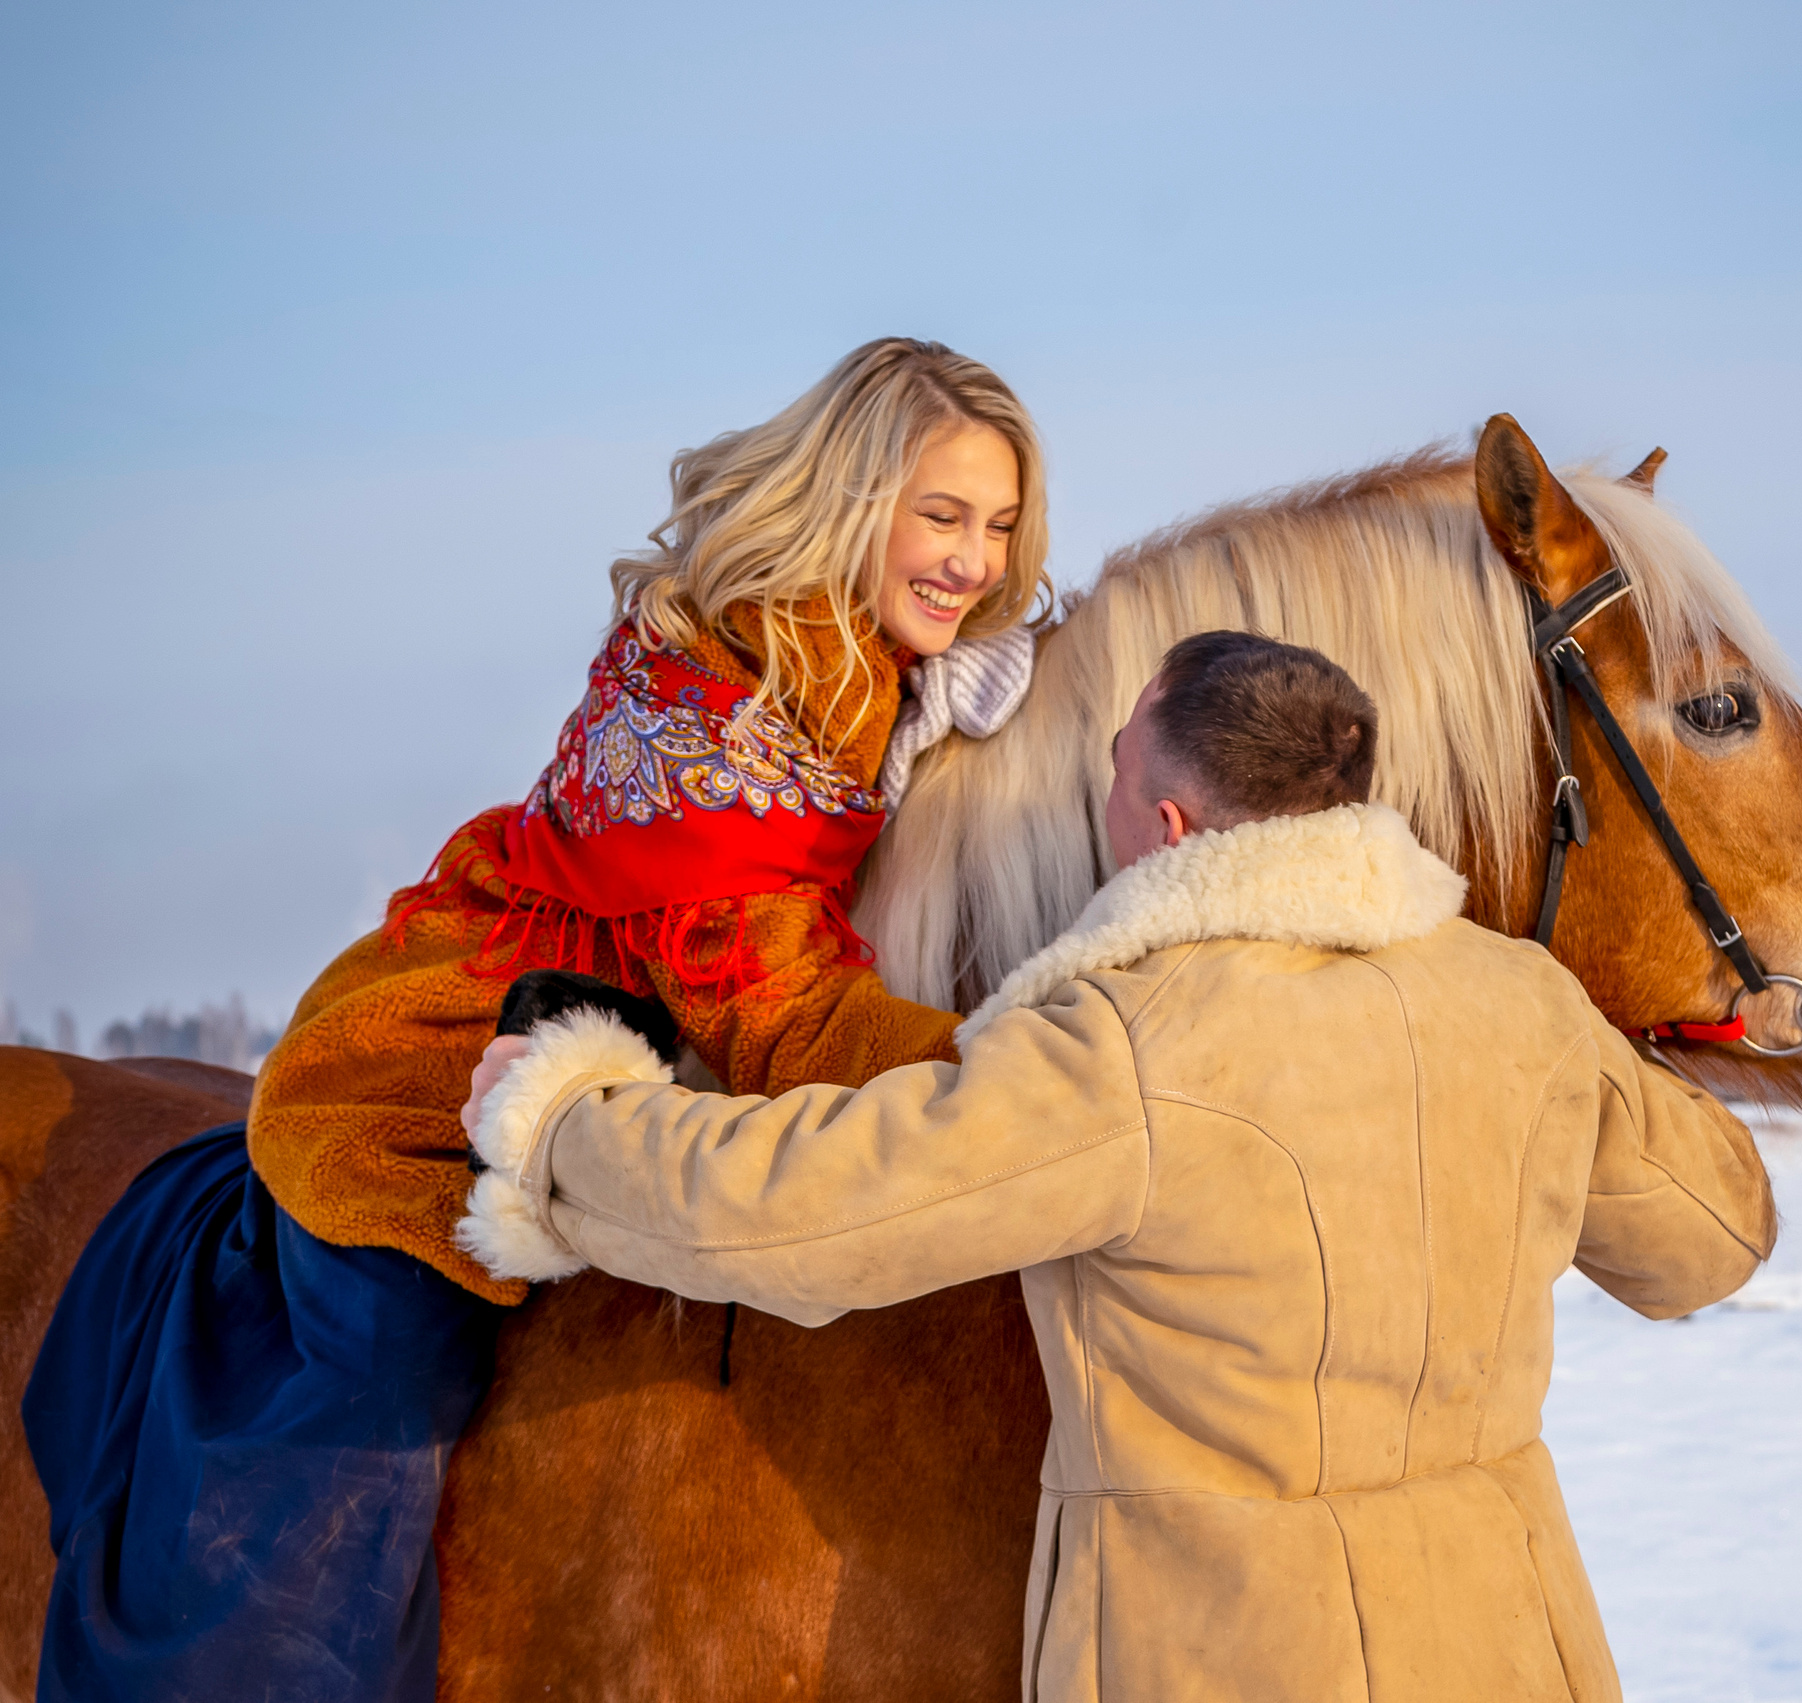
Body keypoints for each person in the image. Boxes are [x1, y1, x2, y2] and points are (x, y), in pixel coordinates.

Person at [459, 630, 1778, 1703]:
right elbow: (1709, 1243)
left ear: (1168, 823)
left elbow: (800, 1214)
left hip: (1227, 1661)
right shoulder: (1523, 1003)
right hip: (1511, 1655)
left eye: (1111, 773)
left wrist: (566, 1120)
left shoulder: (1128, 1047)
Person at [22, 338, 1052, 1701]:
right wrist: (1039, 1071)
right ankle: (248, 1661)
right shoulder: (720, 707)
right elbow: (786, 1021)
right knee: (386, 1370)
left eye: (999, 526)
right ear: (854, 505)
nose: (972, 561)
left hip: (628, 1046)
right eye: (942, 516)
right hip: (457, 1048)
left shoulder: (872, 671)